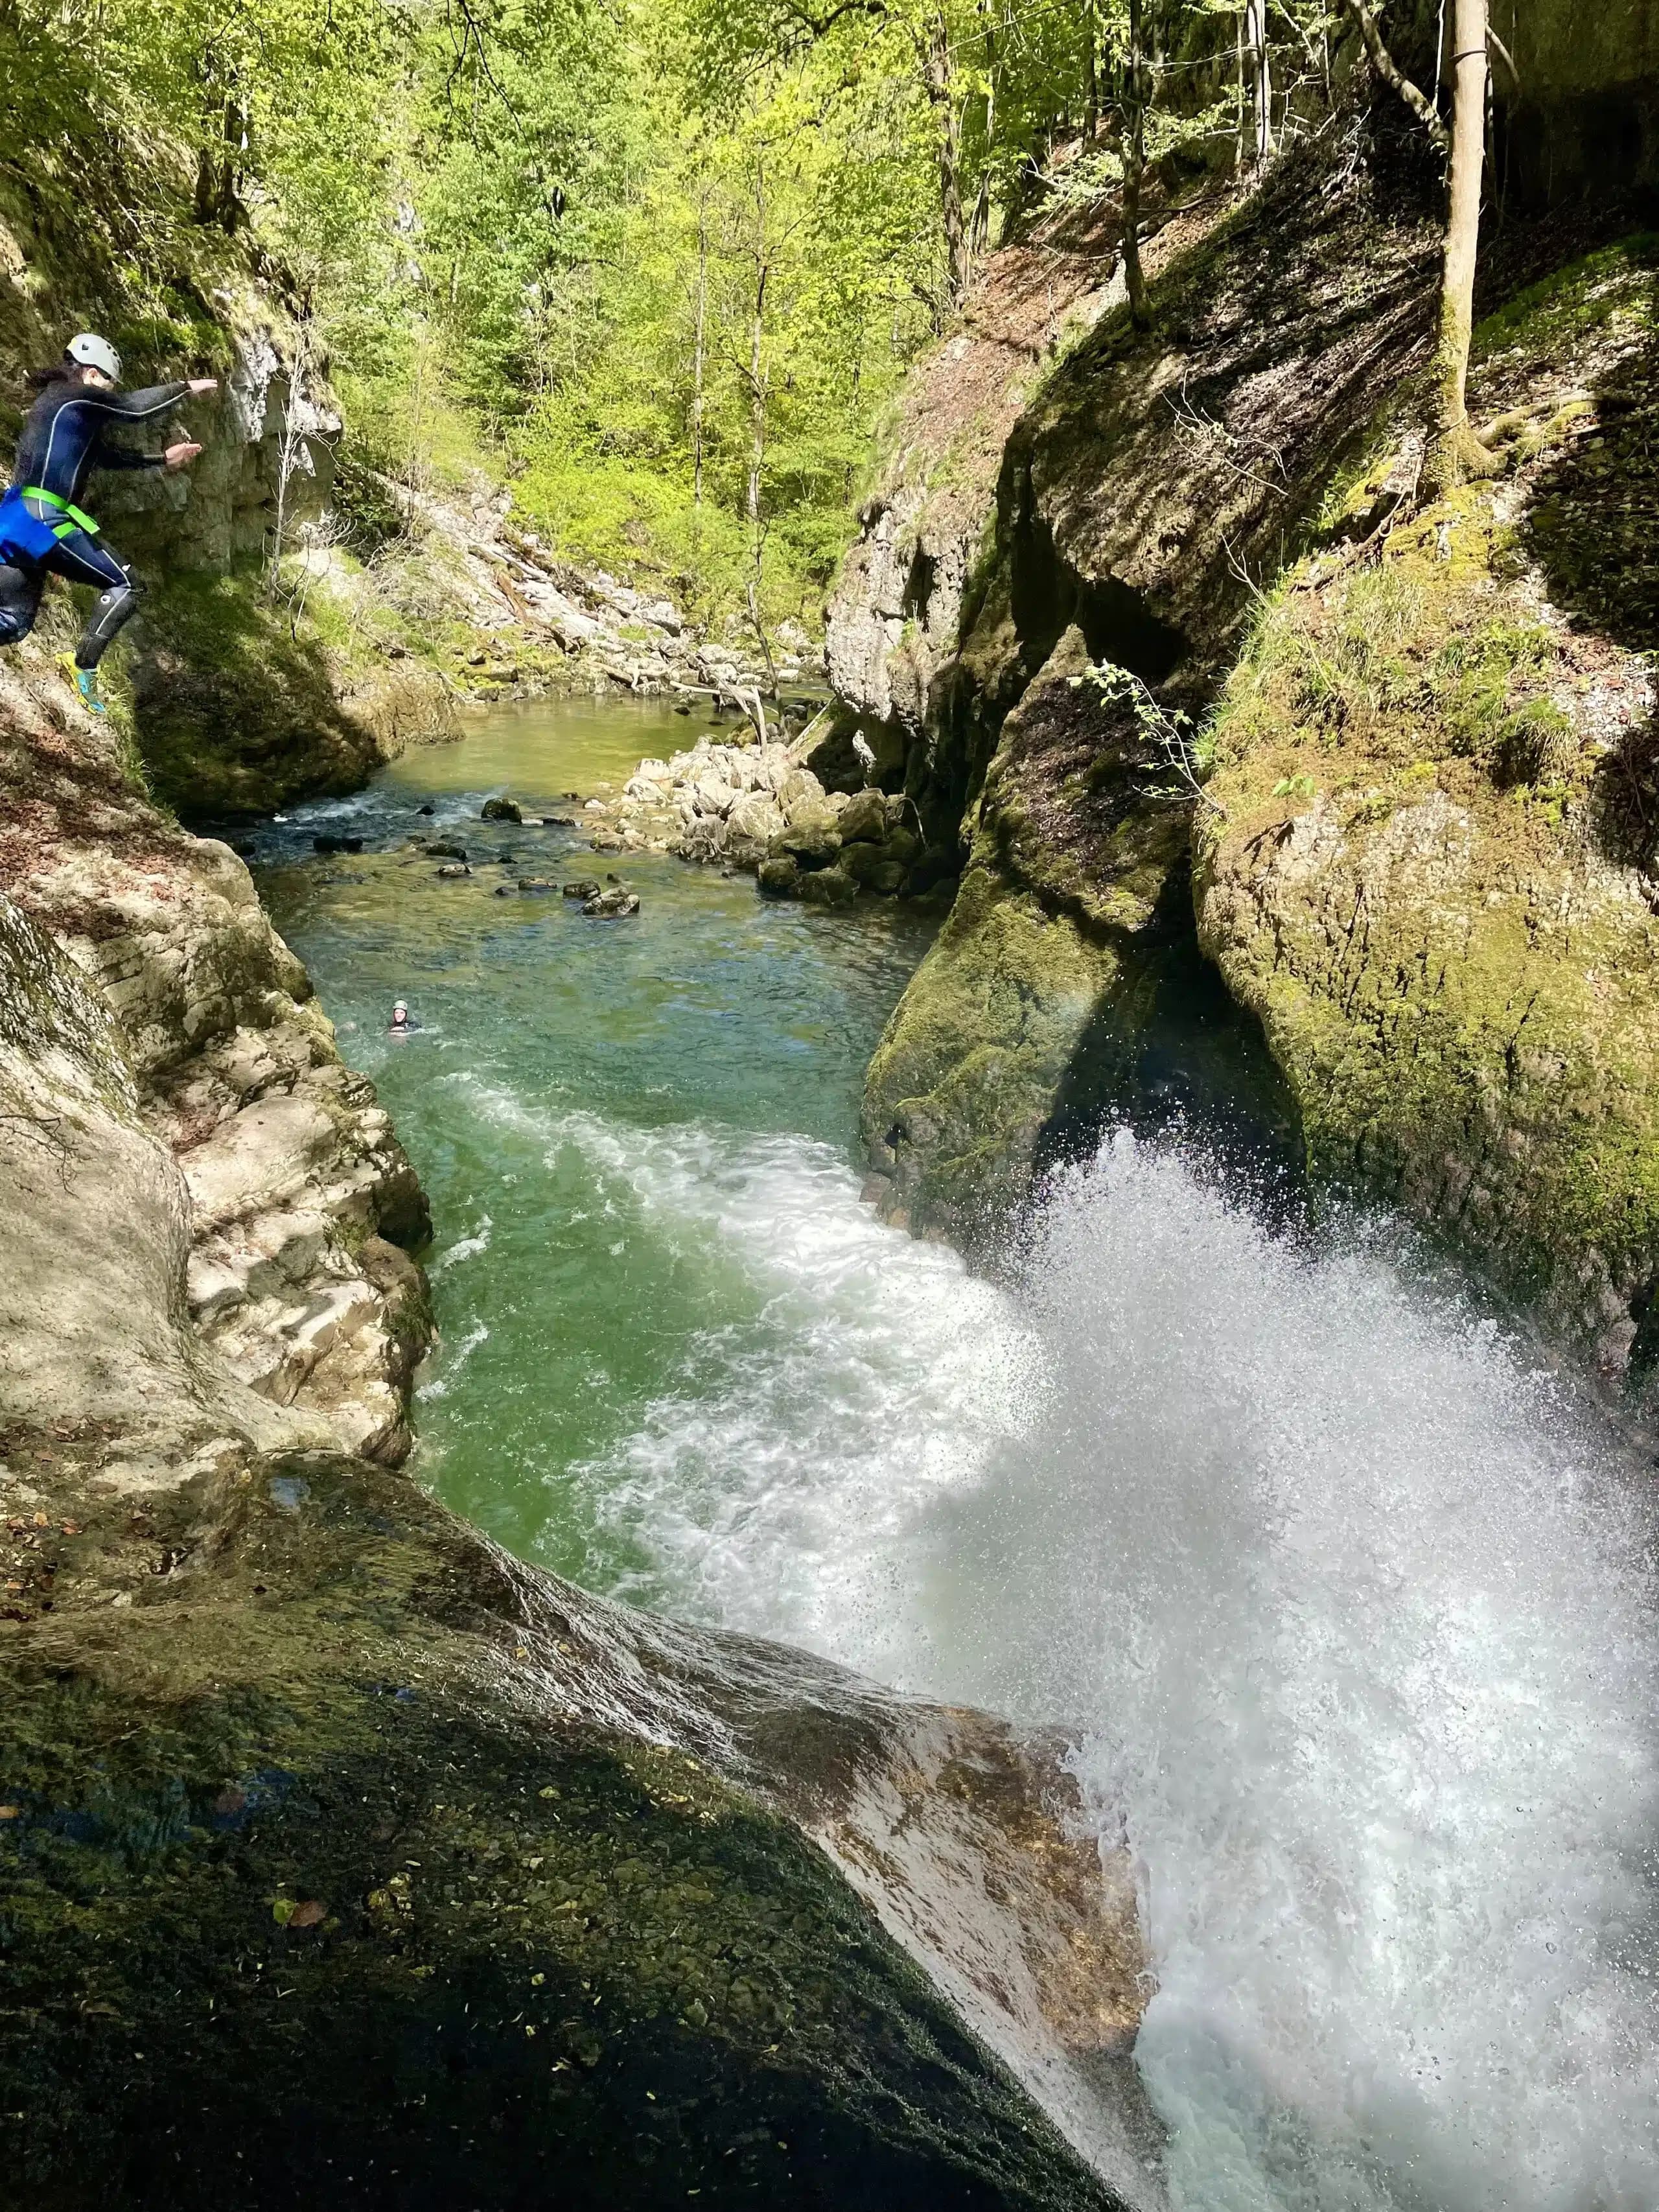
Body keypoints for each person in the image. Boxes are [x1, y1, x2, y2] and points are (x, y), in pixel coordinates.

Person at [0, 333, 216, 712]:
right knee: (127, 583)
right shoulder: (73, 396)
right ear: (92, 374)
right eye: (109, 383)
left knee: (14, 623)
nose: (111, 393)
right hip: (42, 518)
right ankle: (82, 667)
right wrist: (185, 386)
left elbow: (107, 456)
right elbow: (134, 409)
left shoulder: (60, 408)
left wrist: (163, 460)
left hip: (15, 517)